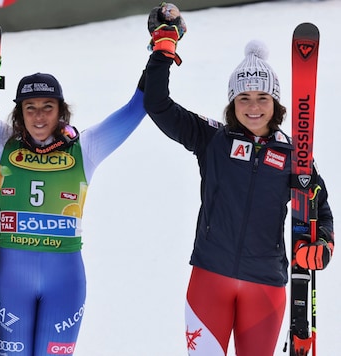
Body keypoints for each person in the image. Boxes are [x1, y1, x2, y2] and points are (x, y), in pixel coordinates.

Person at [0, 19, 146, 356]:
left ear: (61, 111)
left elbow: (138, 107)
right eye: (30, 108)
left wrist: (161, 51)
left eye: (48, 107)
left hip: (64, 281)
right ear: (19, 113)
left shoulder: (85, 148)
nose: (38, 117)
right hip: (10, 280)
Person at [141, 3, 334, 356]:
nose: (254, 106)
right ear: (232, 102)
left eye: (263, 97)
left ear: (276, 104)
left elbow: (320, 210)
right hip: (209, 280)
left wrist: (323, 245)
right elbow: (157, 105)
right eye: (244, 97)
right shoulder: (212, 139)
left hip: (265, 288)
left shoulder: (295, 154)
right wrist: (163, 49)